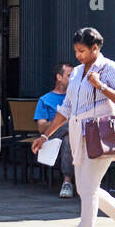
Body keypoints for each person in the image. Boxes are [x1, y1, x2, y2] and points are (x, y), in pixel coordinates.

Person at [31, 27, 115, 227]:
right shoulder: (78, 72)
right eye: (76, 51)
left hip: (101, 135)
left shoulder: (110, 68)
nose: (78, 55)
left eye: (82, 51)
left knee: (87, 188)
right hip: (79, 133)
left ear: (95, 48)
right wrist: (45, 135)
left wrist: (101, 86)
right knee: (85, 187)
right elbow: (66, 108)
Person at [35, 63, 75, 198]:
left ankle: (67, 181)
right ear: (59, 77)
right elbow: (41, 127)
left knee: (69, 138)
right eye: (70, 76)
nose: (73, 79)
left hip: (76, 137)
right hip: (51, 137)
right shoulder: (45, 100)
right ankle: (68, 181)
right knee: (71, 125)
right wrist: (60, 123)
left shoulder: (75, 97)